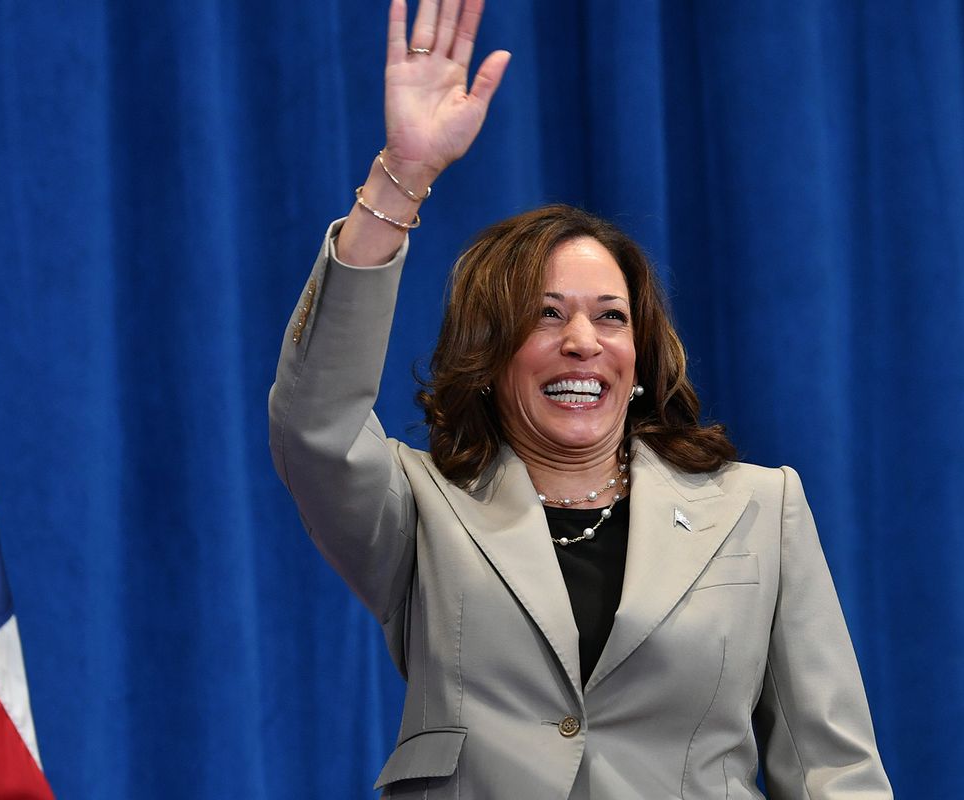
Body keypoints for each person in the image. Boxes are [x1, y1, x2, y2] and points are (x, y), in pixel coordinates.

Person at [268, 0, 893, 797]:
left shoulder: (759, 510)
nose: (582, 343)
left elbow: (834, 769)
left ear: (638, 360)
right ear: (489, 357)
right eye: (545, 315)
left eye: (610, 317)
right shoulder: (419, 509)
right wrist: (402, 179)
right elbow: (312, 423)